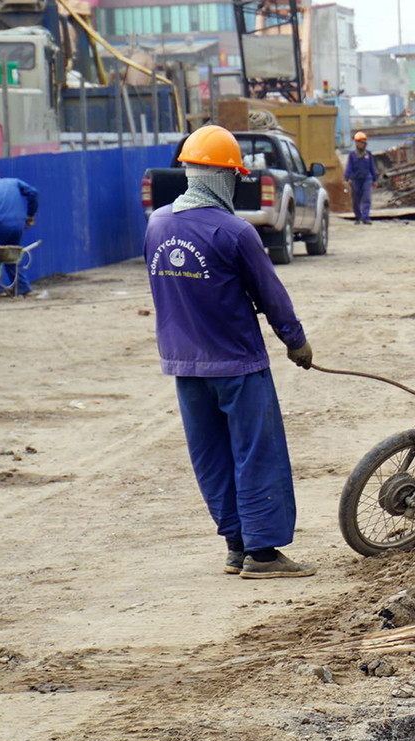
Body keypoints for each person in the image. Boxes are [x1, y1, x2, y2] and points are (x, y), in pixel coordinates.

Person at [144, 124, 316, 579]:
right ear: (225, 177)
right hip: (238, 364)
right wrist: (296, 342)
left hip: (185, 365)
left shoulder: (158, 224)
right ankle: (263, 554)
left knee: (212, 457)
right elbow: (271, 295)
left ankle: (236, 547)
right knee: (256, 454)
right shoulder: (235, 232)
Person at [0, 166, 39, 297]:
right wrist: (30, 215)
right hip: (19, 225)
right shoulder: (14, 182)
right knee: (11, 256)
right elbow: (33, 193)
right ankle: (23, 288)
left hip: (0, 225)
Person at [345, 131, 376, 225]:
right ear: (356, 143)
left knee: (367, 198)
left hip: (367, 179)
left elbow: (372, 167)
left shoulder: (368, 154)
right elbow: (349, 167)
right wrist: (346, 178)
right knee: (356, 199)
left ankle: (365, 217)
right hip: (355, 179)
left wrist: (374, 179)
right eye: (359, 142)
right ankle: (358, 217)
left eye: (363, 142)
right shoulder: (352, 155)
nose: (361, 144)